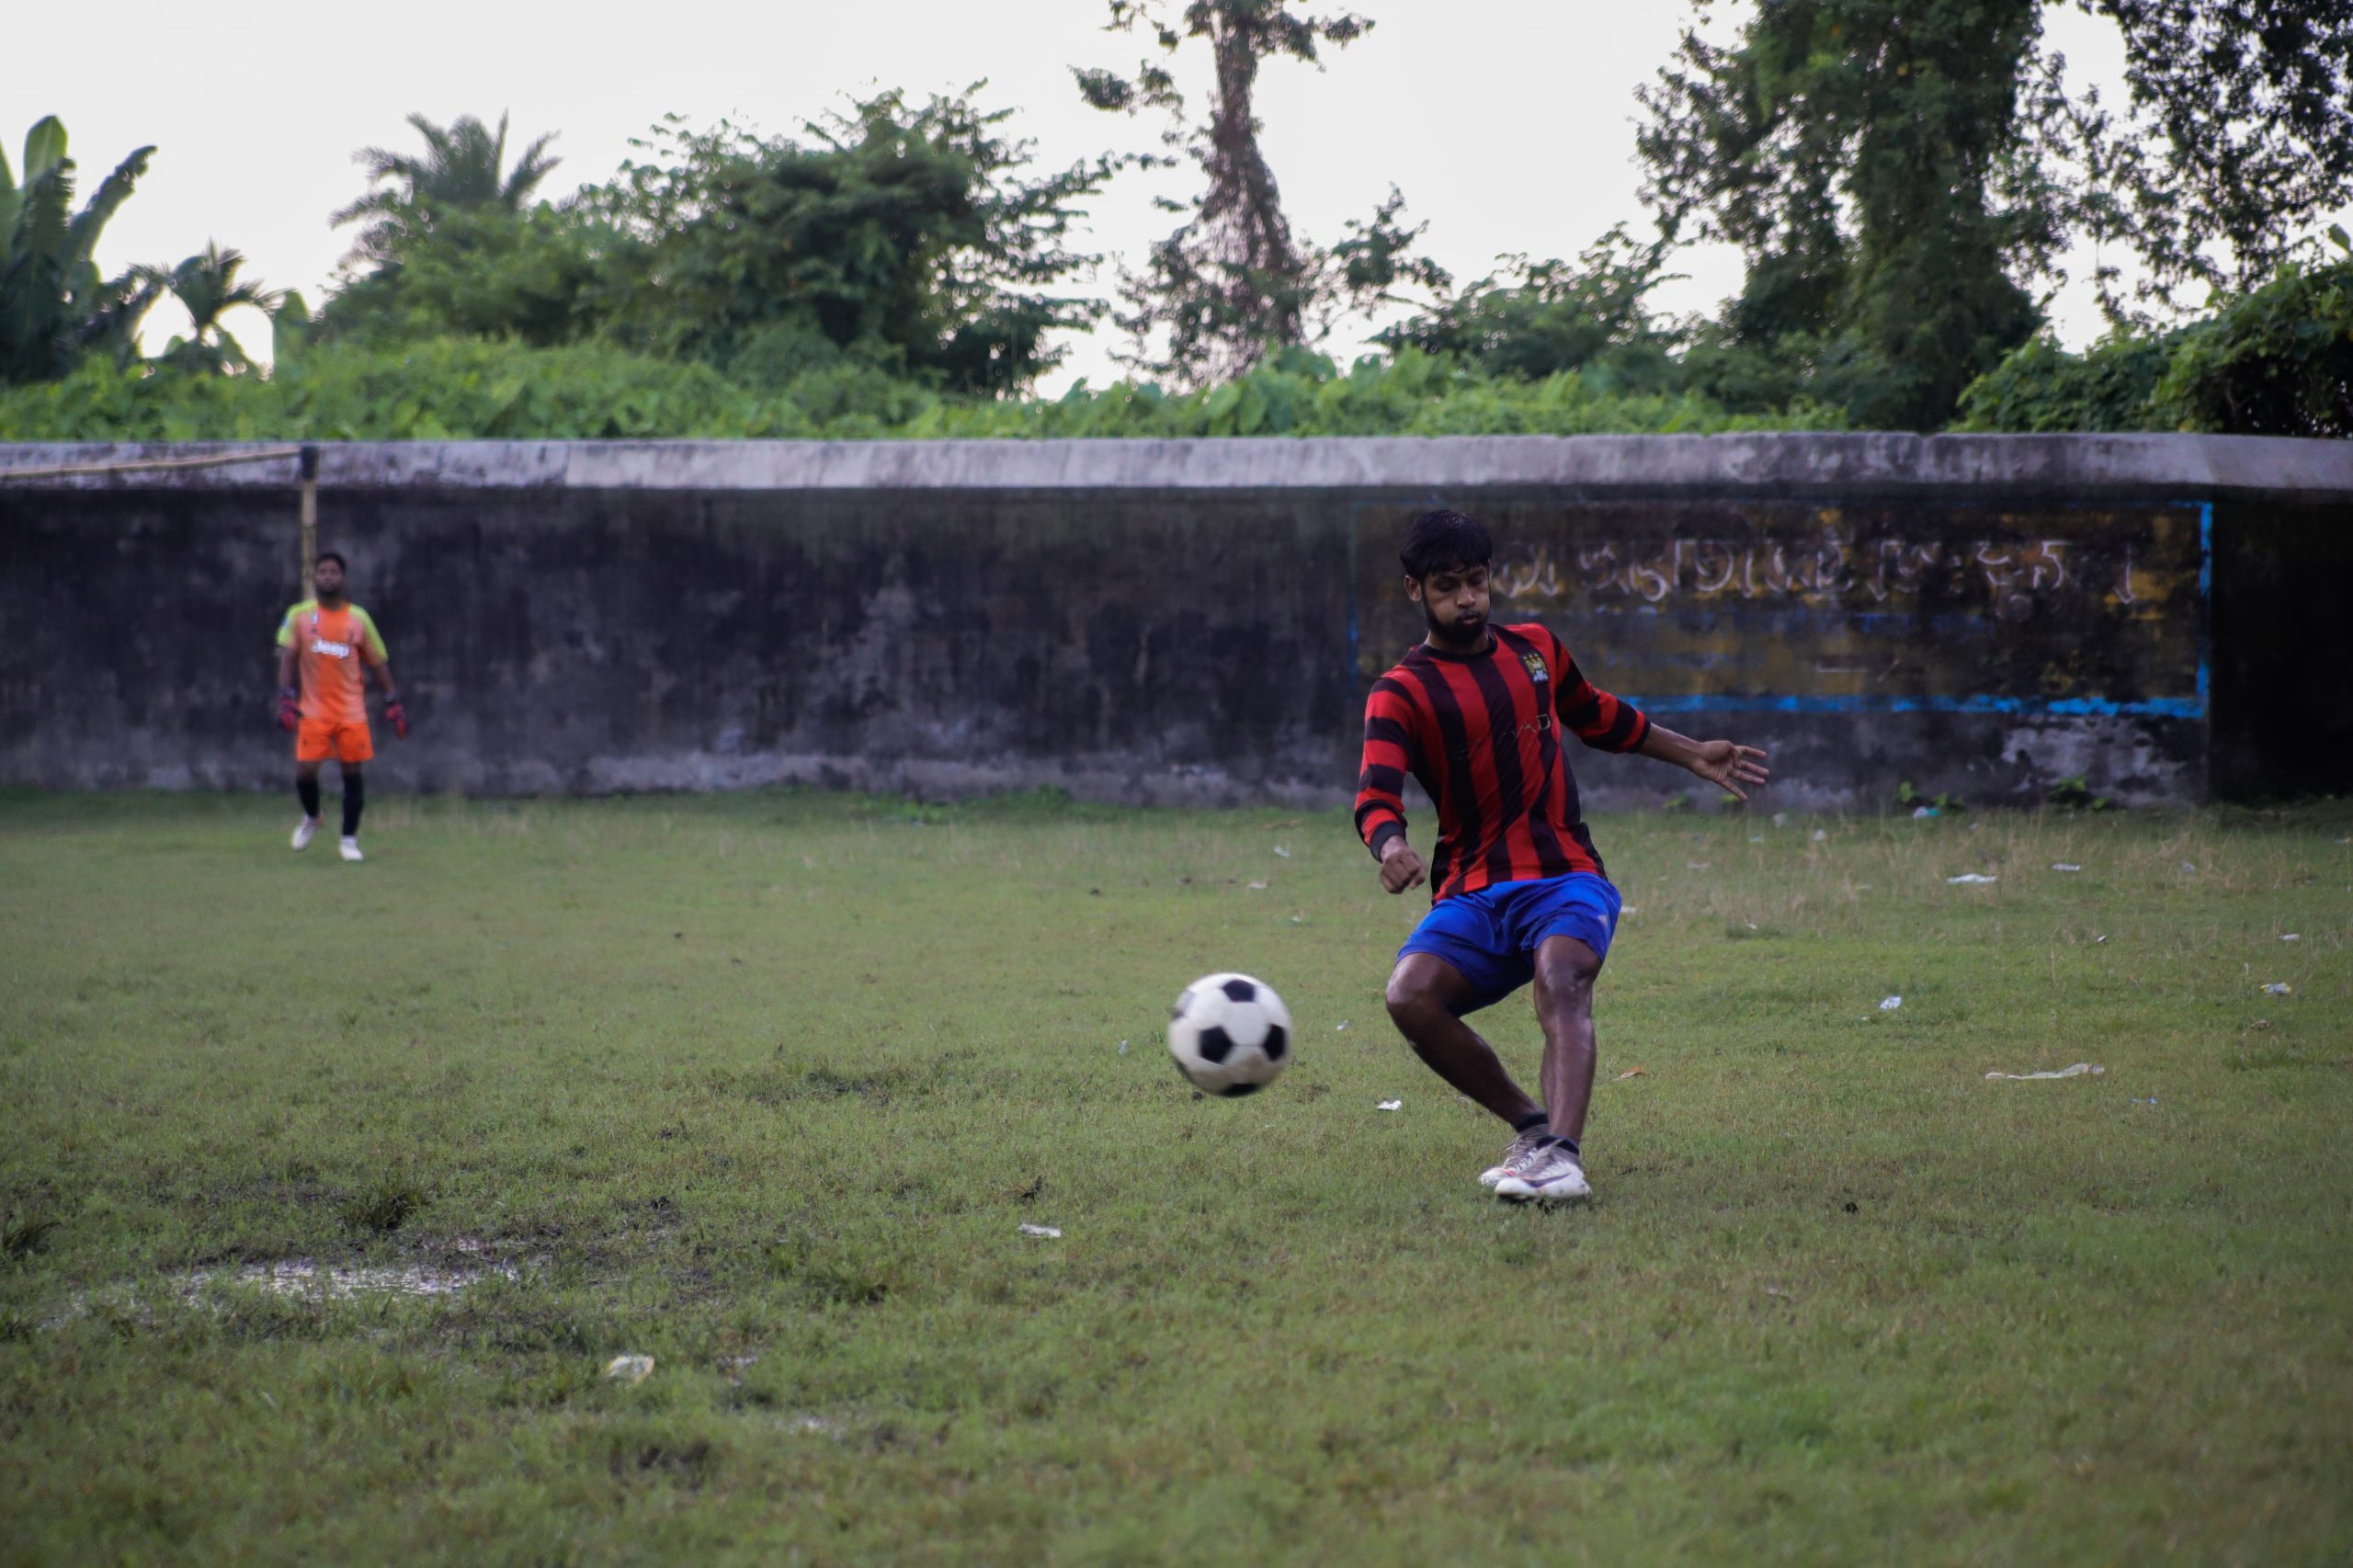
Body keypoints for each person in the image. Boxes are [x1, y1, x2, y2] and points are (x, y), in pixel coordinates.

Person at [1354, 510, 1769, 1204]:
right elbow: (1375, 793)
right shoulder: (1400, 691)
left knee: (1563, 977)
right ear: (1414, 591)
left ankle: (1563, 1159)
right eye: (1448, 586)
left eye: (1477, 582)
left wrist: (1692, 751)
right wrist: (1390, 844)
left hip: (1565, 875)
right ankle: (1533, 1129)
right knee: (1410, 996)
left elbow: (1600, 715)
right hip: (1472, 892)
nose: (1467, 599)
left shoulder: (1536, 650)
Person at [274, 551, 406, 862]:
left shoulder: (358, 619)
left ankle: (349, 841)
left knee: (352, 774)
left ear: (343, 578)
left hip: (351, 712)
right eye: (323, 572)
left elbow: (378, 662)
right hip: (313, 711)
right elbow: (288, 658)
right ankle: (312, 817)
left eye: (334, 571)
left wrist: (393, 701)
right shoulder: (300, 616)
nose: (328, 576)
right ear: (315, 578)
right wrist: (285, 696)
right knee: (305, 772)